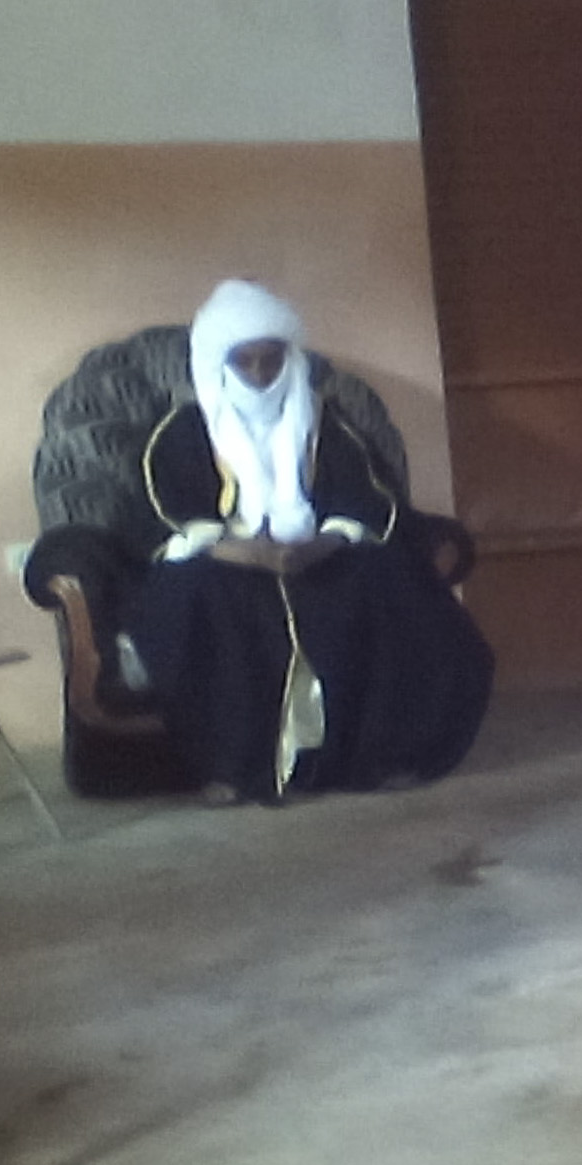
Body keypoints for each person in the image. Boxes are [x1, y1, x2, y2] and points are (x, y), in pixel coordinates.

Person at [126, 281, 495, 804]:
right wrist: (242, 551)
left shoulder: (327, 422)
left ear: (290, 357)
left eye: (271, 360)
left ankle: (380, 755)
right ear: (218, 363)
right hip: (224, 562)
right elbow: (163, 516)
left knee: (388, 582)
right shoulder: (180, 431)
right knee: (196, 598)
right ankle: (232, 767)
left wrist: (323, 544)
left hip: (317, 553)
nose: (260, 374)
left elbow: (367, 498)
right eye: (245, 362)